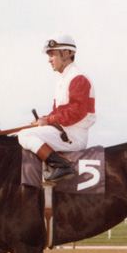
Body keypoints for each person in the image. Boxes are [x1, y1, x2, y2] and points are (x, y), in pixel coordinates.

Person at [18, 35, 96, 183]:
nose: (49, 59)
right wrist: (41, 120)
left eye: (52, 54)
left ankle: (61, 166)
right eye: (49, 55)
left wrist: (48, 120)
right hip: (64, 131)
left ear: (67, 53)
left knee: (25, 136)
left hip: (73, 136)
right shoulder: (63, 80)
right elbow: (58, 112)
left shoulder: (78, 78)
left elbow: (77, 112)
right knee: (22, 133)